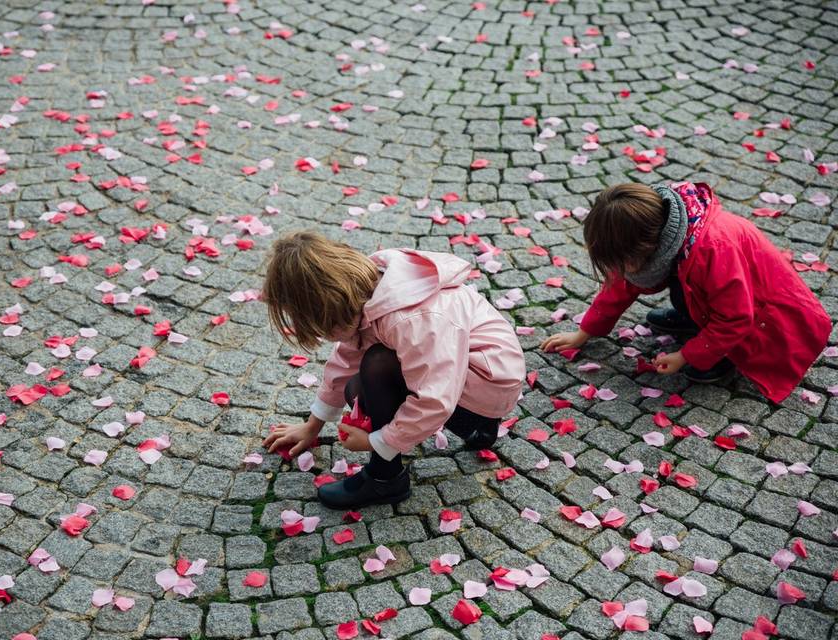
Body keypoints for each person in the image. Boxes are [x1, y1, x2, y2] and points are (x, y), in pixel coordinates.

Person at [261, 231, 525, 509]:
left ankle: (385, 479)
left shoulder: (409, 318)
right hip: (468, 378)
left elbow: (435, 398)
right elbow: (347, 356)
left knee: (376, 367)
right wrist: (312, 425)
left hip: (487, 386)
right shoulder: (368, 292)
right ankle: (478, 431)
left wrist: (377, 442)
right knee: (359, 382)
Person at [542, 182, 831, 403]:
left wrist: (686, 355)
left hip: (769, 320)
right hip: (719, 293)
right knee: (687, 283)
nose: (619, 269)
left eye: (622, 261)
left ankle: (719, 354)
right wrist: (585, 332)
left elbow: (736, 319)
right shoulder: (664, 228)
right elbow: (622, 282)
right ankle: (695, 320)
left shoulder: (712, 251)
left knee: (718, 321)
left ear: (646, 247)